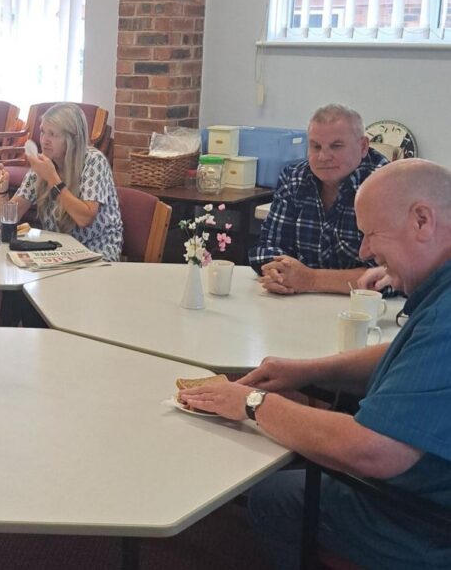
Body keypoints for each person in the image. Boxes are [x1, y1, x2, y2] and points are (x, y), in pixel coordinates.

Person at [179, 159, 451, 569]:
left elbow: (375, 450)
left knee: (274, 494)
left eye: (371, 234)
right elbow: (410, 353)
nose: (364, 252)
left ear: (422, 221)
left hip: (426, 522)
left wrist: (252, 404)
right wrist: (310, 370)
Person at [0, 103, 122, 326]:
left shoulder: (93, 161)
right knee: (16, 284)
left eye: (53, 134)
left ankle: (45, 339)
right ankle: (8, 338)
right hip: (57, 251)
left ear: (71, 139)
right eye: (42, 132)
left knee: (37, 292)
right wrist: (1, 189)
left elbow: (85, 217)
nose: (44, 140)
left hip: (95, 251)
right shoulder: (42, 165)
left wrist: (53, 180)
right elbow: (9, 218)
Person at [249, 103, 388, 295]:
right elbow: (267, 248)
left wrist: (310, 279)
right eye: (315, 146)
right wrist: (277, 273)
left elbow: (389, 277)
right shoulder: (294, 178)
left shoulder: (386, 185)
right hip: (298, 303)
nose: (323, 156)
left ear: (363, 146)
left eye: (336, 146)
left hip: (368, 310)